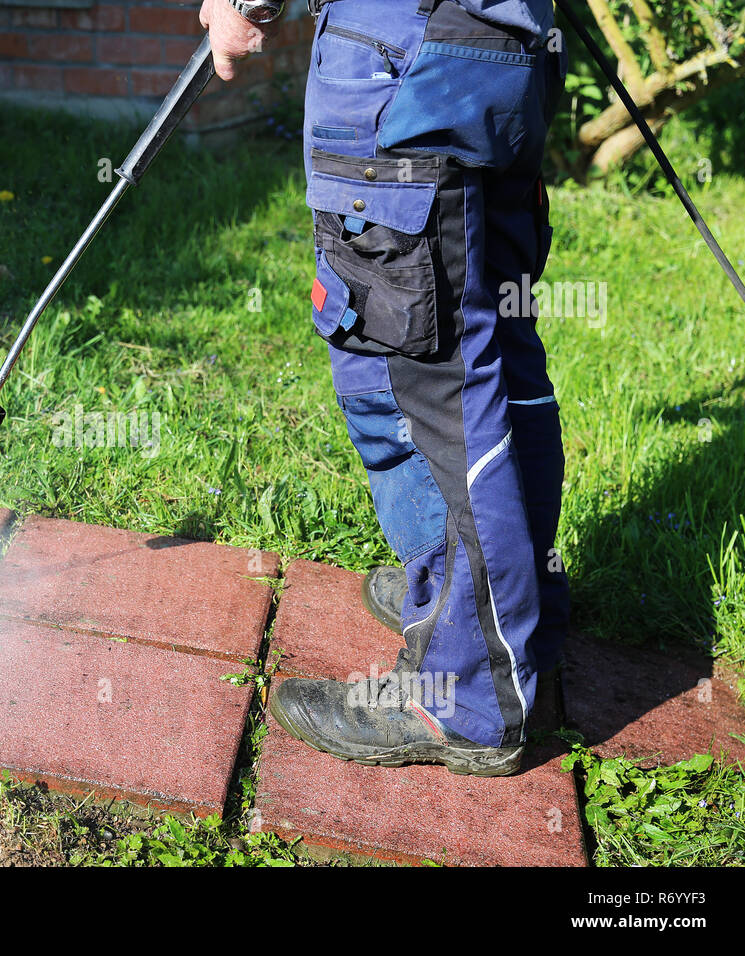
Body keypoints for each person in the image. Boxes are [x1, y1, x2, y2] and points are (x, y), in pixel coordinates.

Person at [200, 0, 569, 776]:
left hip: (406, 65)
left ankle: (464, 698)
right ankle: (491, 605)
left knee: (435, 384)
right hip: (500, 56)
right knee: (495, 354)